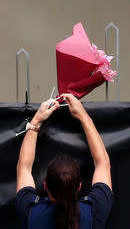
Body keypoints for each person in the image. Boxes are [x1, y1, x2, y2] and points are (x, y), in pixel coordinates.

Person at [16, 93, 113, 229]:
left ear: (45, 185)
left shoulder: (31, 213)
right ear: (79, 186)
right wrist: (83, 116)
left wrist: (36, 120)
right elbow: (103, 164)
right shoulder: (94, 212)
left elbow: (24, 168)